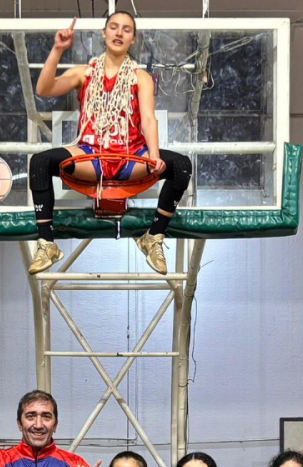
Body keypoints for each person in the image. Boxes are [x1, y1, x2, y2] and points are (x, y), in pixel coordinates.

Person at [29, 13, 193, 276]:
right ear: (104, 34)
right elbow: (44, 90)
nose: (119, 33)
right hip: (91, 156)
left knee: (181, 165)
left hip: (131, 157)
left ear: (133, 38)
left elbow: (148, 118)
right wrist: (58, 49)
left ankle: (153, 237)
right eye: (113, 27)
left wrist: (153, 155)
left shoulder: (140, 77)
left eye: (126, 29)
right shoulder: (84, 73)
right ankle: (47, 243)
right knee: (40, 162)